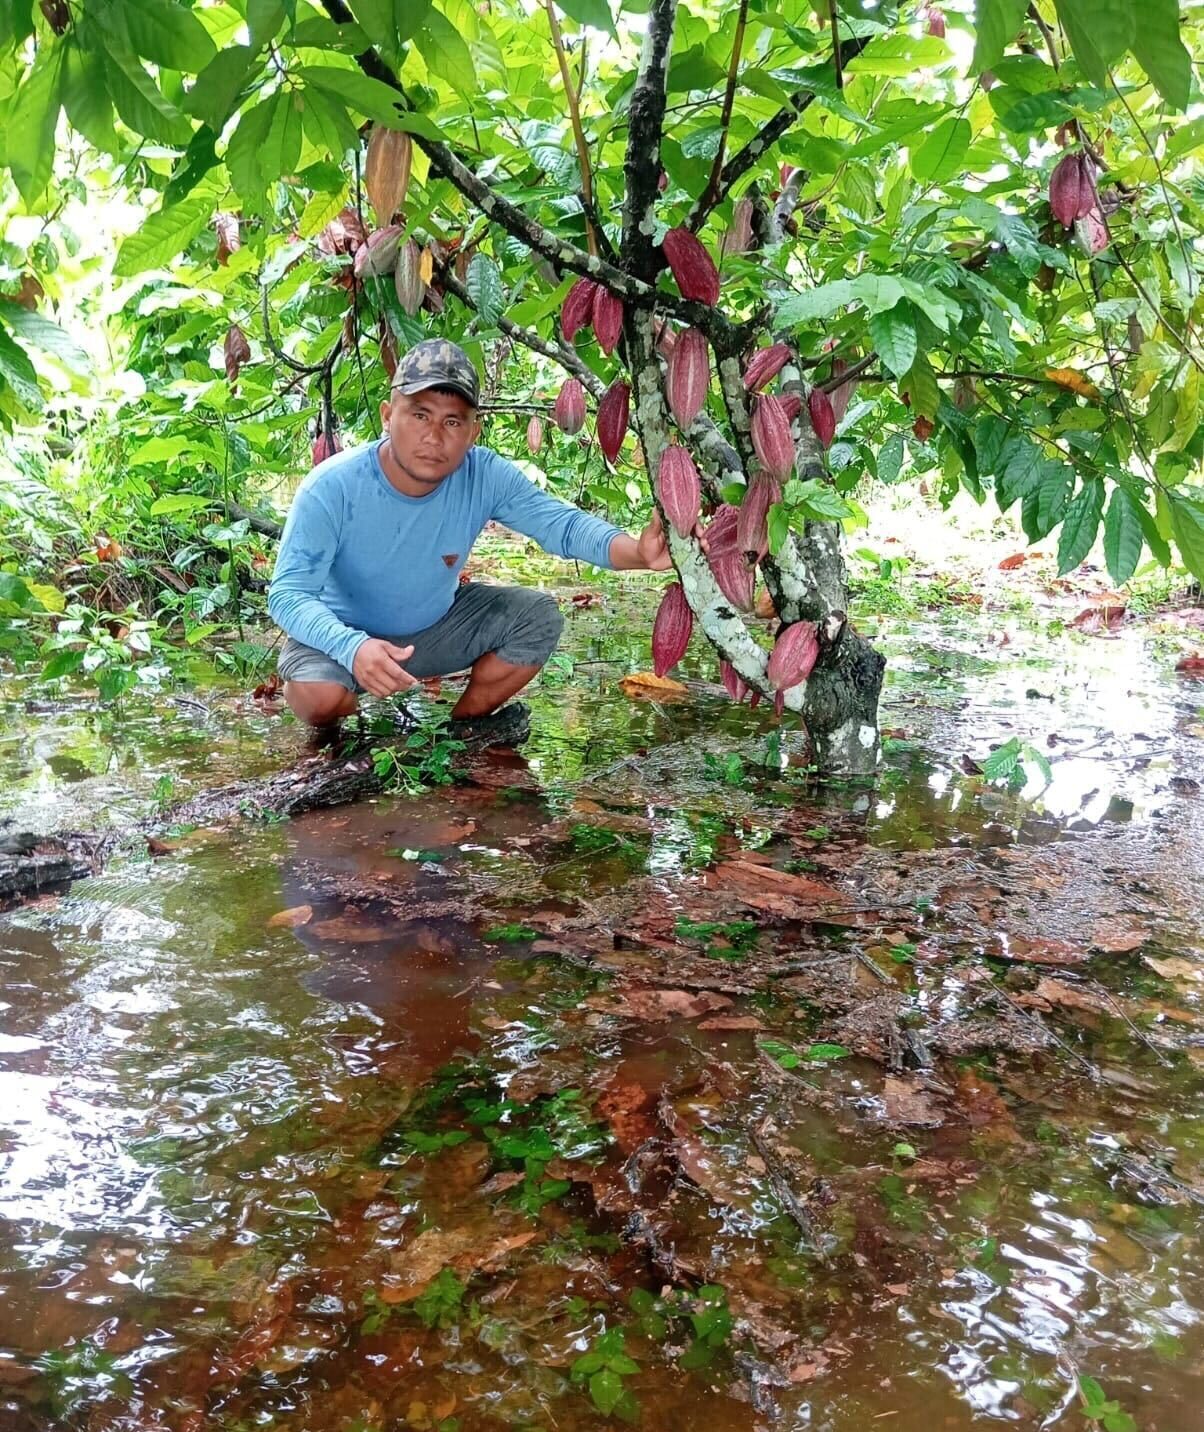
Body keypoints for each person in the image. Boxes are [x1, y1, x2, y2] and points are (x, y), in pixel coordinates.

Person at [269, 338, 674, 737]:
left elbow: (561, 526)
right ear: (388, 415)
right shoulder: (333, 486)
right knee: (317, 697)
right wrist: (352, 648)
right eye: (420, 415)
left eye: (452, 421)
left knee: (537, 619)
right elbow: (287, 594)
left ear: (472, 431)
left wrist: (639, 552)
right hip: (342, 632)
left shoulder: (482, 475)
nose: (434, 436)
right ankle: (346, 744)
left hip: (435, 628)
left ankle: (459, 737)